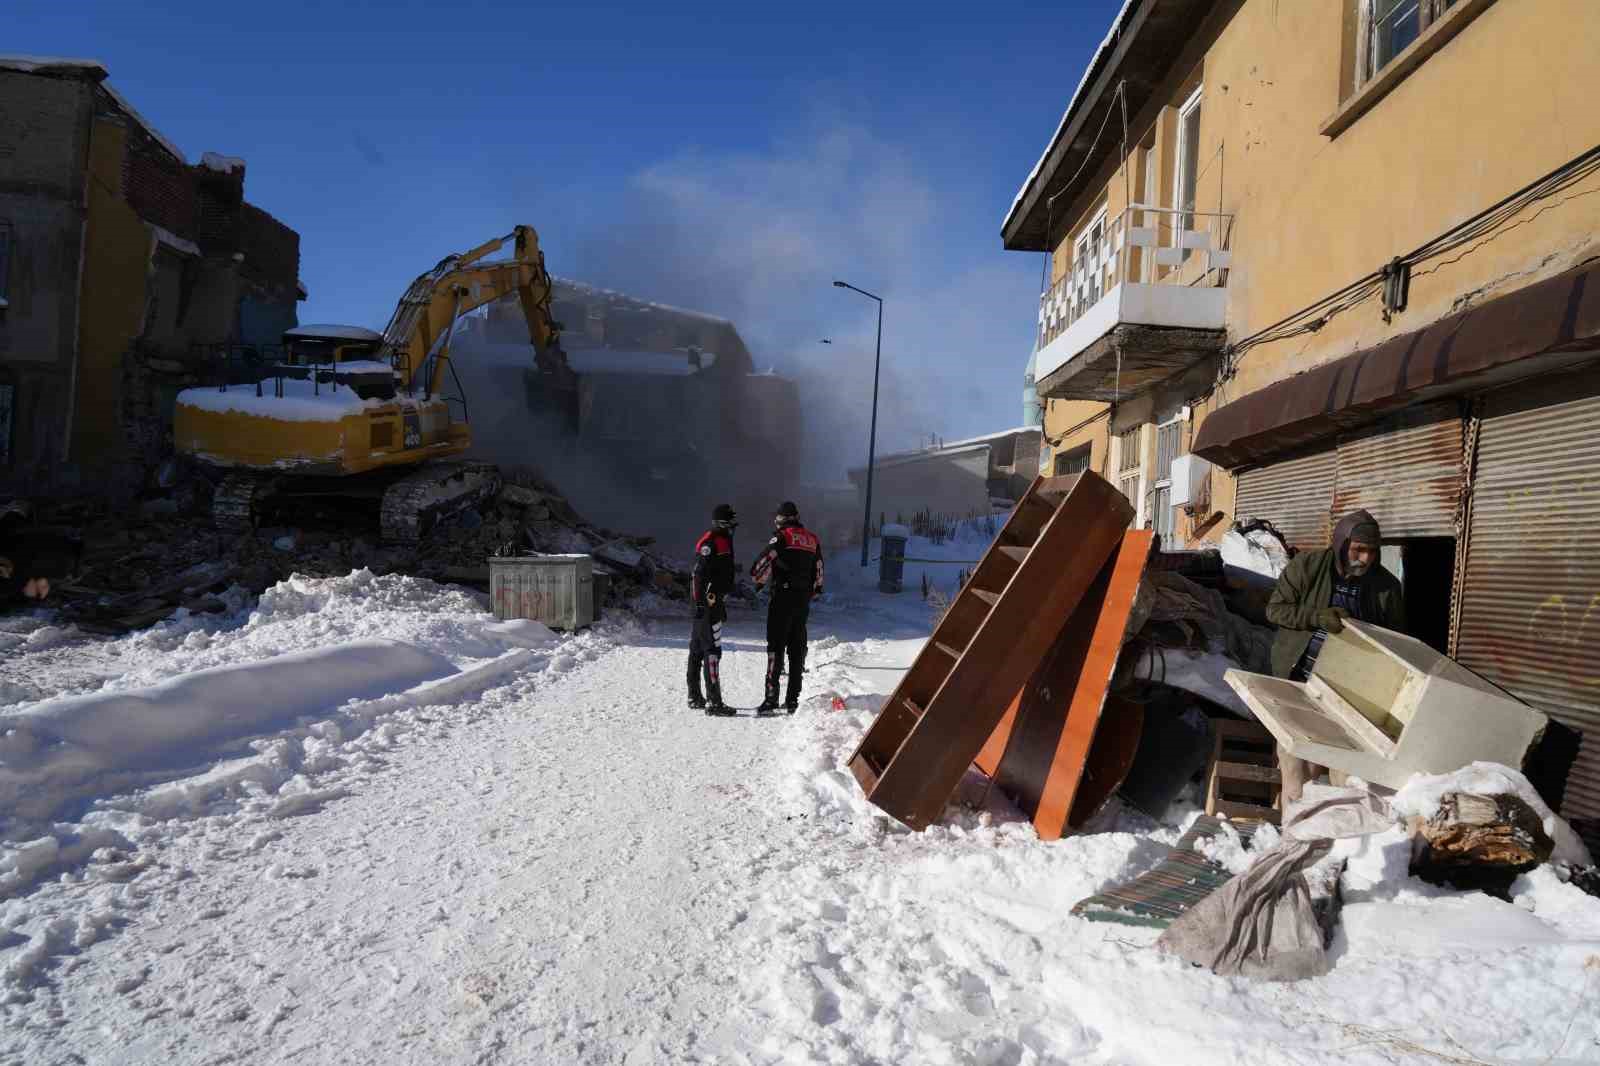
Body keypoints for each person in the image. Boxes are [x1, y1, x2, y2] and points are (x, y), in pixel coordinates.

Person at [1265, 507, 1405, 800]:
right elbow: (1275, 610)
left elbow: (1396, 642)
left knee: (1320, 762)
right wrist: (1316, 617)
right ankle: (1290, 821)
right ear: (1342, 544)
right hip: (1297, 673)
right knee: (1292, 755)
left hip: (1343, 687)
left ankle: (1307, 812)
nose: (1365, 558)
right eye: (1358, 549)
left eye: (1371, 551)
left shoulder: (1386, 587)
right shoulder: (1308, 566)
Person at [750, 500, 824, 714]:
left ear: (781, 519)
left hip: (782, 597)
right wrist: (815, 590)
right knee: (797, 648)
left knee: (775, 647)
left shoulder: (781, 537)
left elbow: (763, 562)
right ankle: (793, 700)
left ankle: (771, 699)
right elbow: (818, 570)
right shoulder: (812, 539)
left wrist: (758, 580)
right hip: (802, 600)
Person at [689, 503, 738, 715]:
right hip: (707, 603)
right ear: (722, 523)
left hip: (712, 602)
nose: (733, 527)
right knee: (712, 651)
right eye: (730, 523)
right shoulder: (711, 542)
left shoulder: (723, 540)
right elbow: (698, 575)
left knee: (698, 648)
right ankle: (714, 702)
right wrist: (701, 604)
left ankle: (695, 697)